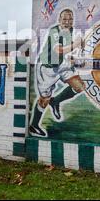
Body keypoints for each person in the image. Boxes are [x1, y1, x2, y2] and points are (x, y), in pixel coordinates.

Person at [29, 9, 85, 137]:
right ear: (59, 20)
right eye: (64, 19)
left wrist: (73, 57)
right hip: (47, 68)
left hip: (60, 64)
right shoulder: (54, 31)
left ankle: (56, 101)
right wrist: (75, 45)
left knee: (79, 86)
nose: (67, 22)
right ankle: (34, 126)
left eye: (70, 19)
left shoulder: (71, 31)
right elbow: (58, 50)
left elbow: (66, 50)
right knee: (44, 99)